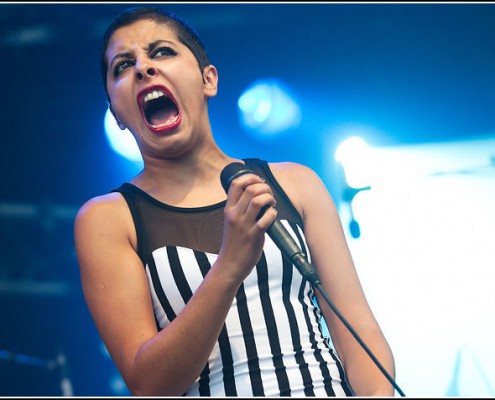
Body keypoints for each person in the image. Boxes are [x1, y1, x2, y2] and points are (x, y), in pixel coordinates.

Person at [74, 5, 396, 397]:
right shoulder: (108, 218)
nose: (142, 68)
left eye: (161, 52)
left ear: (208, 79)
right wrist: (229, 266)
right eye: (122, 66)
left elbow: (357, 332)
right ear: (117, 113)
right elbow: (148, 385)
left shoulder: (294, 183)